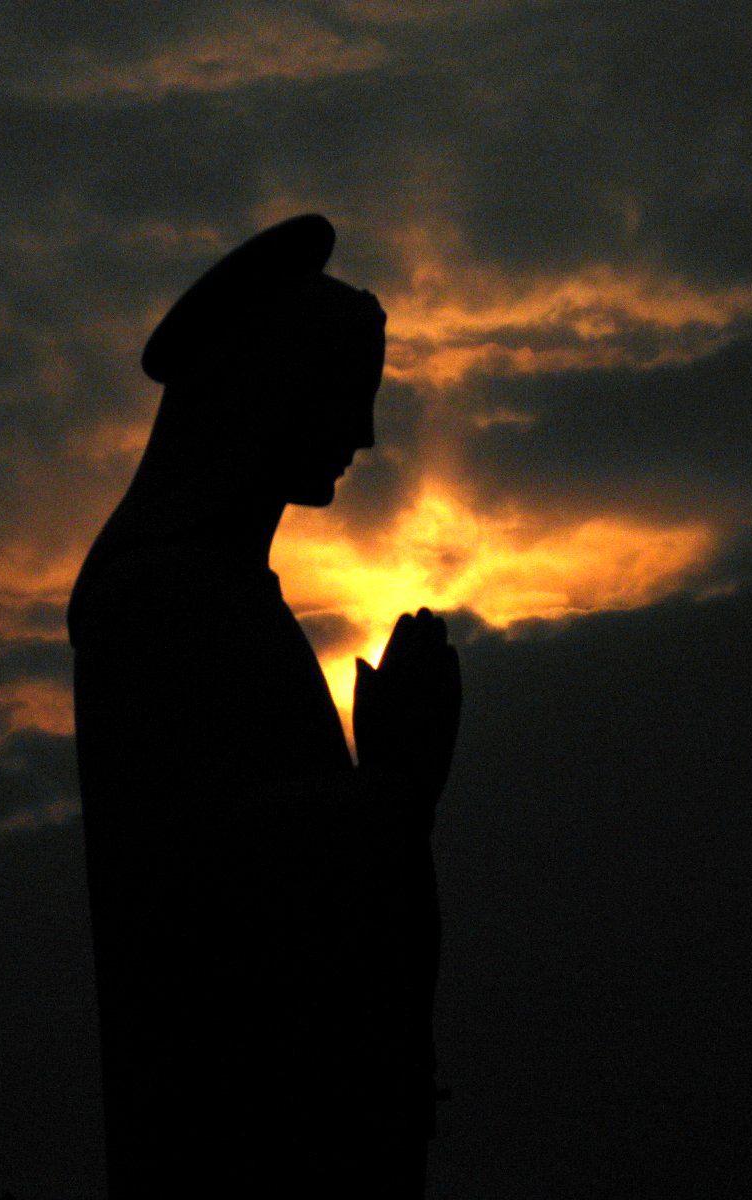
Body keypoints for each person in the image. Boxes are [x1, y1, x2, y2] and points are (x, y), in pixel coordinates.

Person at [67, 214, 461, 1197]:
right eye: (345, 398)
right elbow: (226, 898)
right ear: (268, 392)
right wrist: (393, 789)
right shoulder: (166, 605)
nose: (364, 435)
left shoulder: (227, 601)